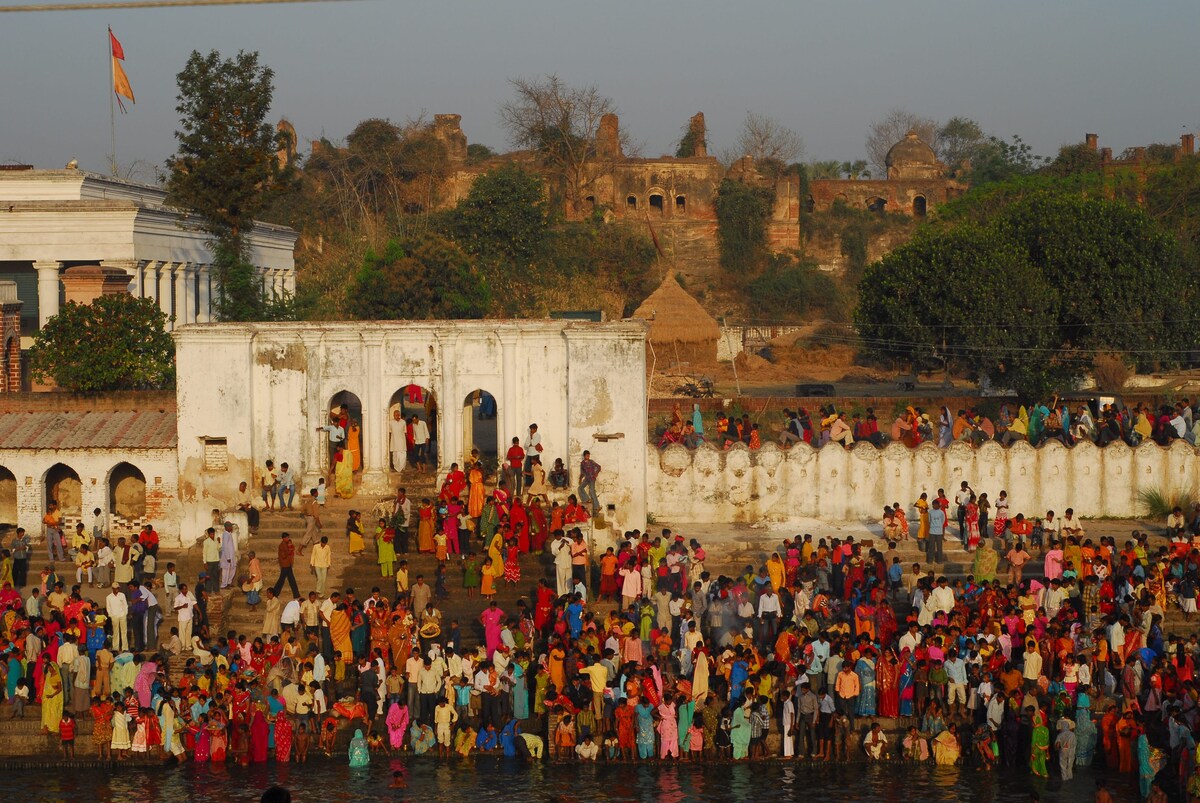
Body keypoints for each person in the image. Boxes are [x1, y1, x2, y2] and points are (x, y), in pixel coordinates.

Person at [578, 450, 601, 516]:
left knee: (592, 491)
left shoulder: (591, 462)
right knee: (580, 488)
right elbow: (582, 472)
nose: (588, 456)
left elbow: (599, 467)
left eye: (588, 455)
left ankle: (597, 506)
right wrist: (580, 479)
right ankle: (587, 499)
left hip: (592, 478)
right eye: (586, 455)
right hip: (587, 478)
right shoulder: (582, 463)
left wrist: (596, 473)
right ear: (584, 456)